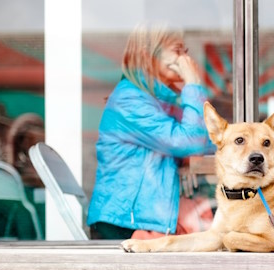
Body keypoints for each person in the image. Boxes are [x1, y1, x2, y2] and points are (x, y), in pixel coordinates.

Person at [87, 23, 214, 239]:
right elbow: (188, 142)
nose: (185, 59)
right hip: (123, 226)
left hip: (141, 221)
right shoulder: (131, 100)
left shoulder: (157, 101)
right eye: (177, 50)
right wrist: (193, 84)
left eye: (185, 52)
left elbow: (202, 142)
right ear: (148, 56)